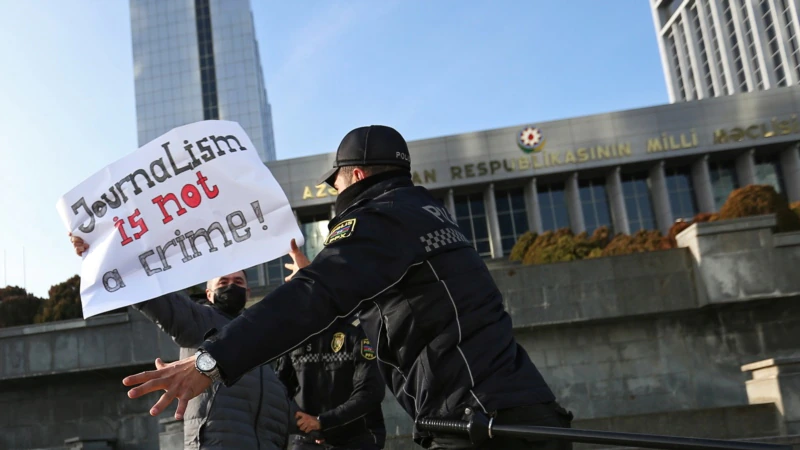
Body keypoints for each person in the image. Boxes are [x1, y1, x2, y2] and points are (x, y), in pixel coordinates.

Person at [121, 125, 574, 450]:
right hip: (516, 412)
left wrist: (211, 361)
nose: (333, 190)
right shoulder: (424, 213)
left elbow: (317, 296)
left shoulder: (380, 217)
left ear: (355, 176)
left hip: (480, 423)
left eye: (334, 181)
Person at [70, 235, 292, 450]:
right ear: (209, 293)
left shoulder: (261, 335)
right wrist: (104, 255)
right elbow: (154, 294)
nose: (231, 286)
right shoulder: (199, 320)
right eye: (223, 282)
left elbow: (283, 399)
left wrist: (316, 424)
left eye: (238, 282)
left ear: (248, 291)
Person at [276, 313, 386, 450]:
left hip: (357, 439)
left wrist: (322, 421)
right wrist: (301, 422)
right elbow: (279, 389)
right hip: (307, 439)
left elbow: (370, 392)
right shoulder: (296, 334)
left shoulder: (360, 330)